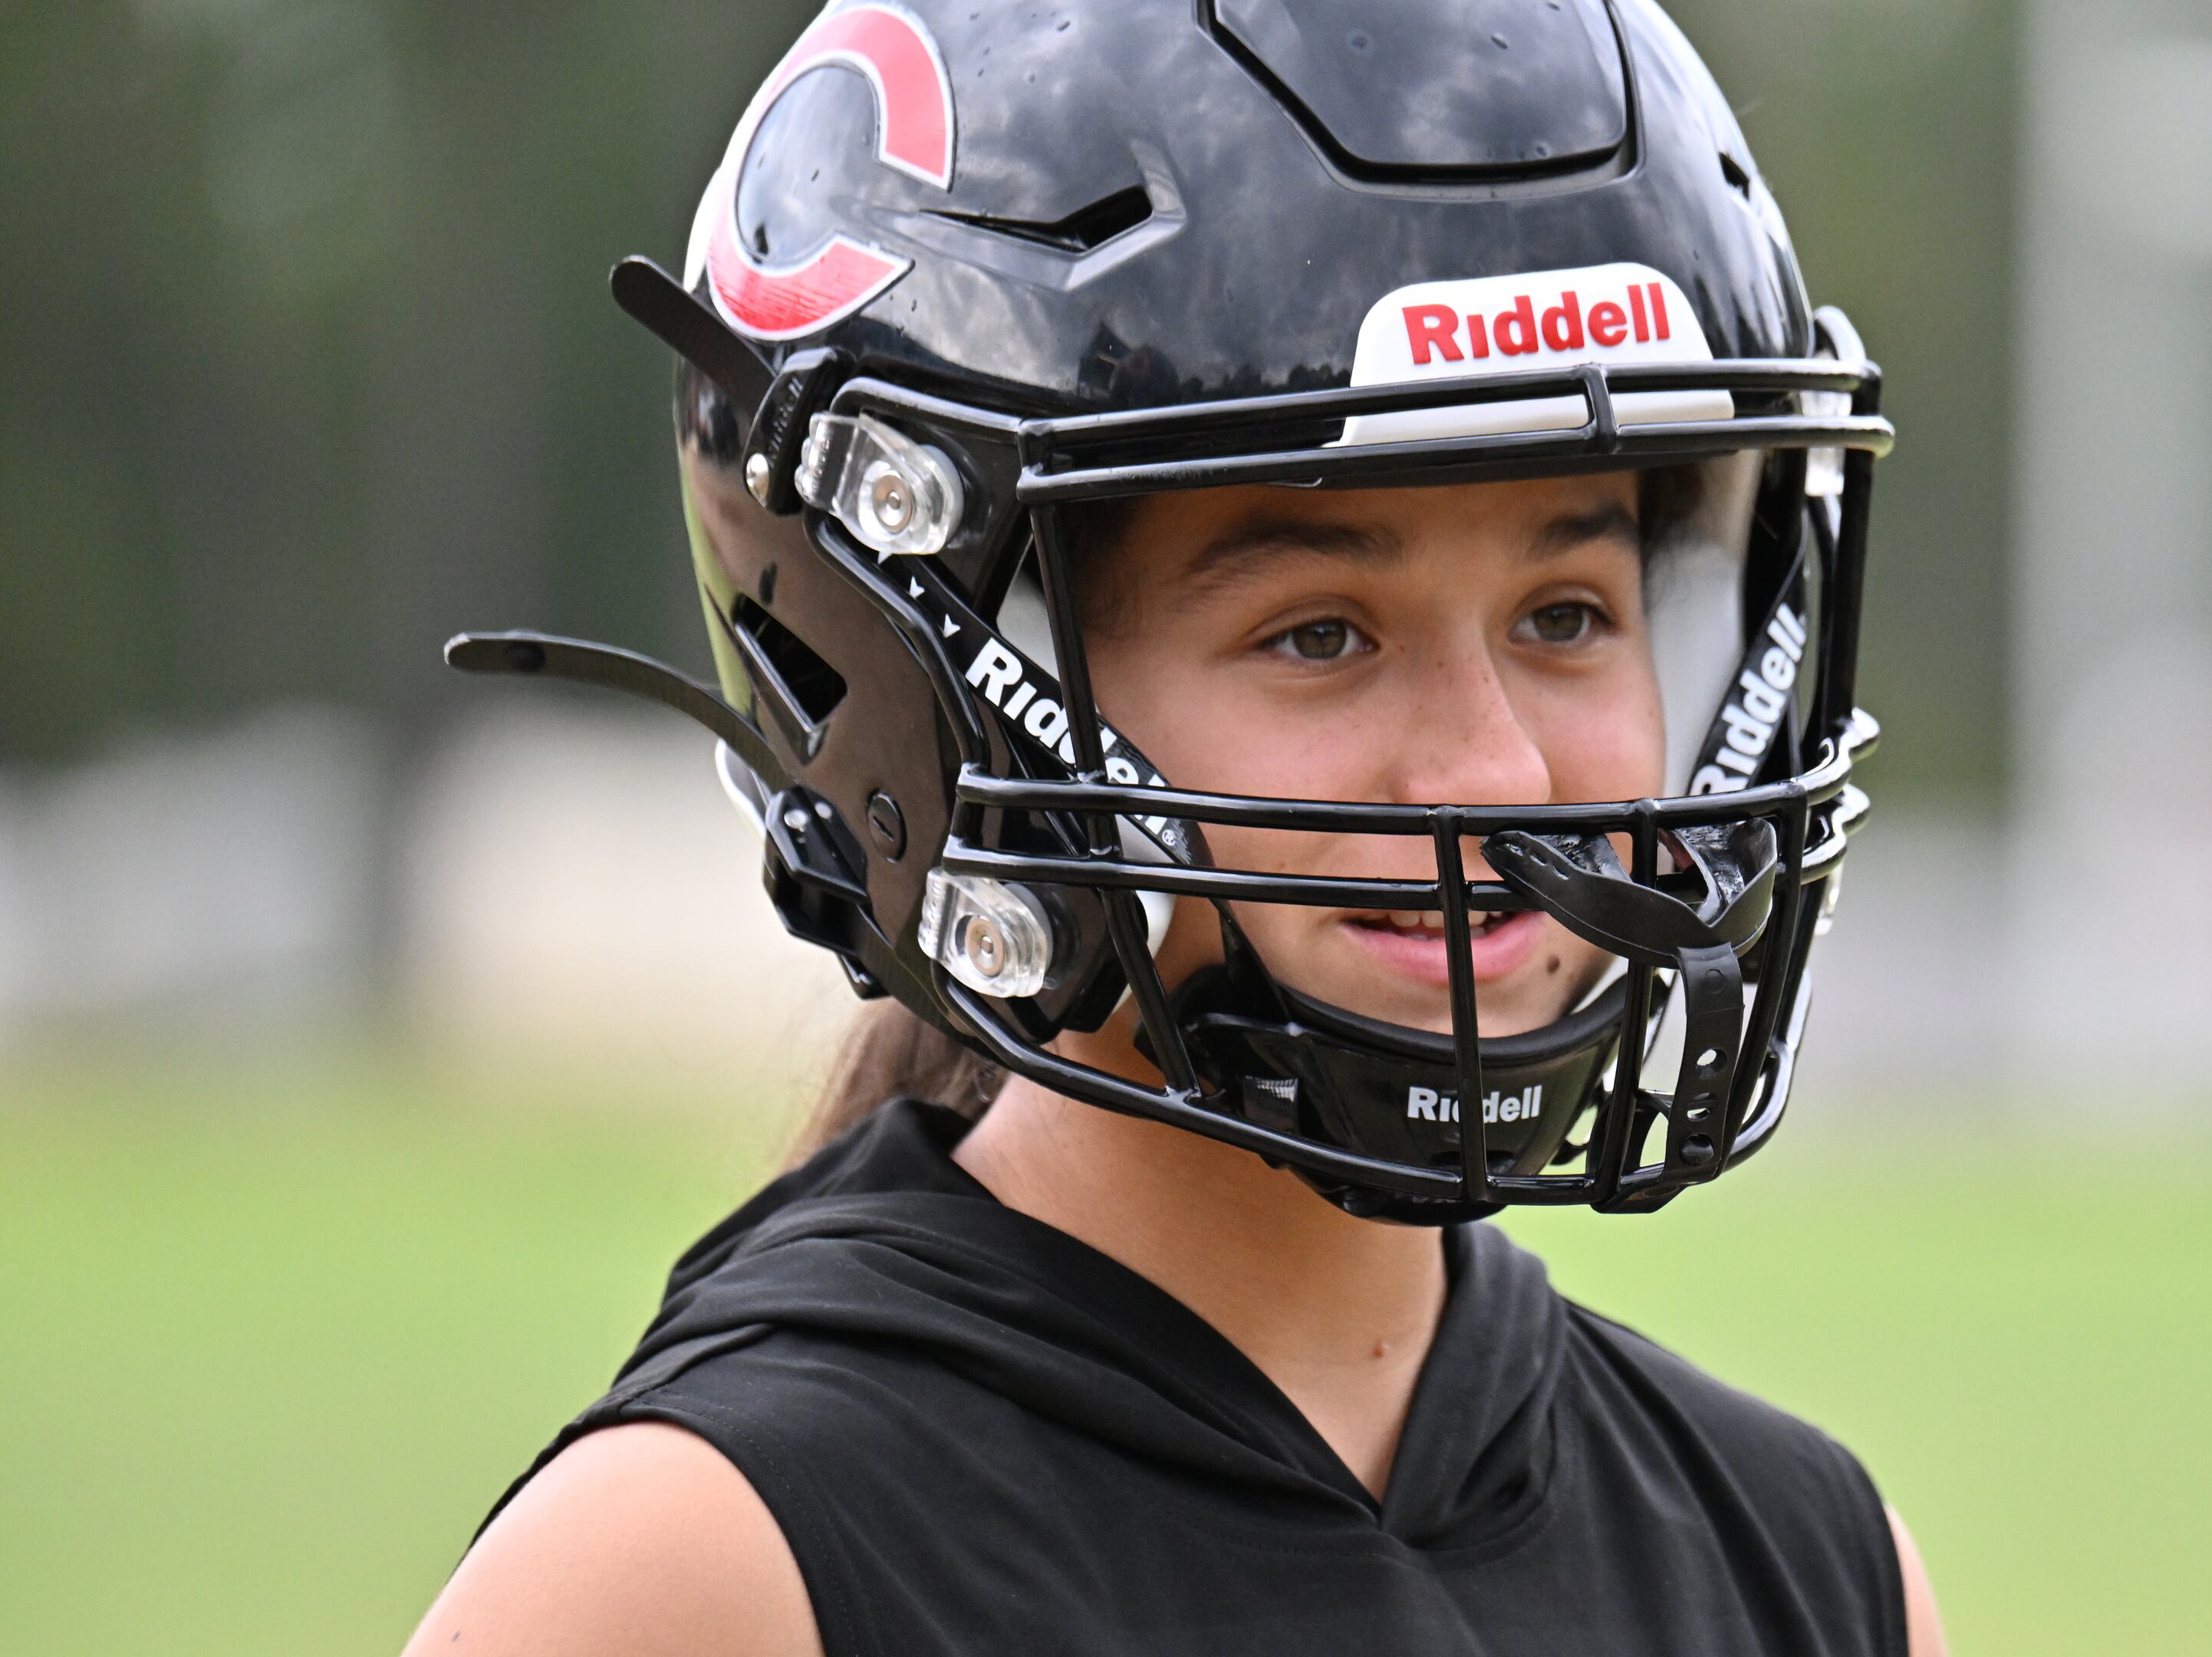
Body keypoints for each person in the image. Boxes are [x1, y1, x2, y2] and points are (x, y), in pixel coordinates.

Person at [408, 2, 1937, 1652]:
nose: (1494, 774)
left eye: (1568, 615)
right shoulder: (708, 1564)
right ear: (969, 688)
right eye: (1320, 635)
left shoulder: (1805, 1566)